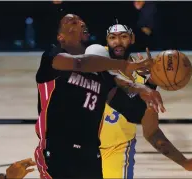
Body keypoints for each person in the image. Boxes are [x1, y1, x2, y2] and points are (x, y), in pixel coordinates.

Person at [34, 14, 165, 179]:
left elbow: (133, 112)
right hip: (57, 153)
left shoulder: (102, 75)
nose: (80, 22)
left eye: (81, 21)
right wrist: (124, 65)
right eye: (72, 22)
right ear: (61, 37)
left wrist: (149, 84)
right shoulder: (52, 57)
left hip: (90, 157)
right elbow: (80, 63)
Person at [85, 23, 192, 178]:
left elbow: (152, 132)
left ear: (132, 39)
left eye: (123, 37)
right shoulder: (96, 53)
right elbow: (108, 80)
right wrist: (142, 80)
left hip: (116, 152)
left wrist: (184, 162)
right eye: (112, 38)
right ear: (106, 41)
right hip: (82, 147)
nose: (117, 42)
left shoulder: (143, 82)